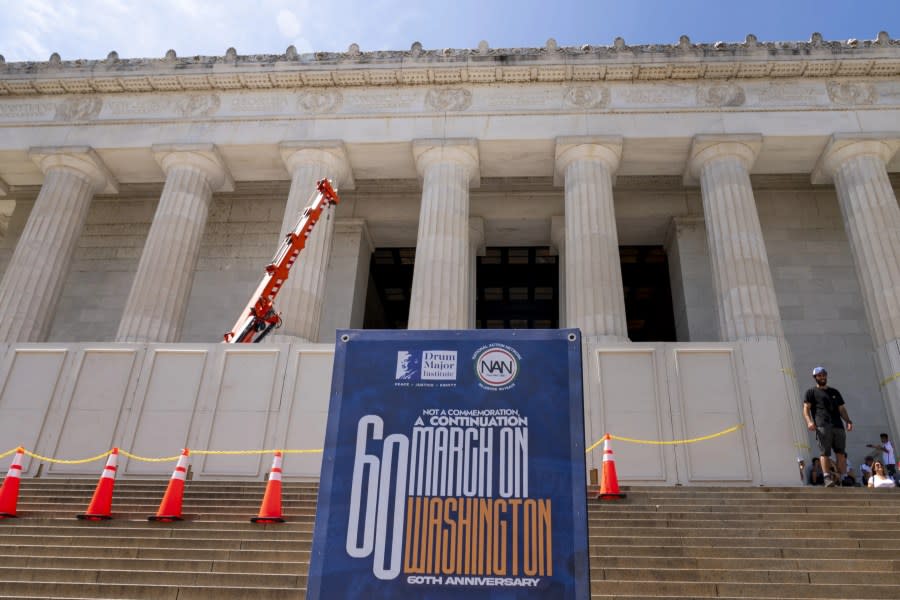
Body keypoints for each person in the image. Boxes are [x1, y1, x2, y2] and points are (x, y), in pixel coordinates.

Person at [803, 366, 853, 487]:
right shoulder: (811, 392)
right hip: (822, 425)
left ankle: (843, 477)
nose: (822, 377)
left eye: (823, 374)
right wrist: (809, 422)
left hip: (838, 426)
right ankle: (827, 477)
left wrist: (848, 421)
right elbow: (806, 409)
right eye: (819, 375)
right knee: (825, 452)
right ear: (815, 377)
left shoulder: (834, 392)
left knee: (841, 453)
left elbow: (841, 409)